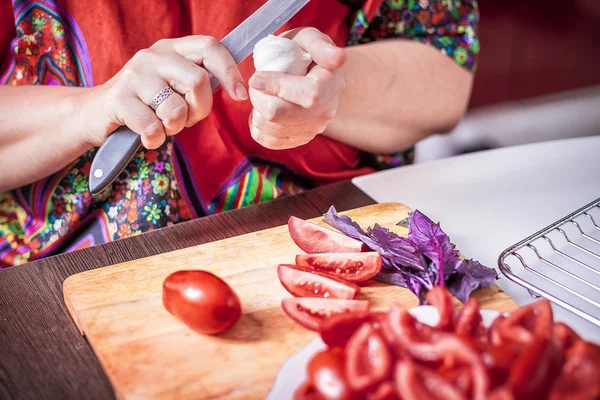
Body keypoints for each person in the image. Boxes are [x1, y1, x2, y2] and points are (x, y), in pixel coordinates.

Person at [0, 0, 478, 267]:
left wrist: (333, 86)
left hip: (328, 246)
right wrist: (90, 110)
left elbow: (445, 74)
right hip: (55, 276)